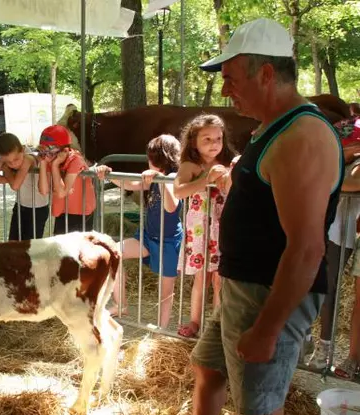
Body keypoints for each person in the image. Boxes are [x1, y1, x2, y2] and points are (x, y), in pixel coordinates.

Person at [191, 18, 344, 415]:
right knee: (209, 365)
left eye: (231, 77)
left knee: (261, 403)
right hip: (244, 285)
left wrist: (269, 328)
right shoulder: (272, 128)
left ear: (264, 74)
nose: (224, 88)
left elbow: (307, 248)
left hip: (268, 291)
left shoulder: (303, 135)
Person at [108, 135, 183, 328]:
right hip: (148, 237)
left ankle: (162, 329)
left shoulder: (175, 177)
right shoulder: (152, 176)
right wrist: (108, 174)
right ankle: (120, 304)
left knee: (167, 290)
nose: (148, 161)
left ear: (160, 158)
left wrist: (160, 180)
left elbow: (171, 206)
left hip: (168, 241)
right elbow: (132, 184)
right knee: (113, 254)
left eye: (151, 157)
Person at [174, 114, 236, 339]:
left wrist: (229, 176)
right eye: (207, 139)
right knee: (202, 277)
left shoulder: (230, 163)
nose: (214, 144)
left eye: (218, 139)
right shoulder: (191, 165)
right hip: (200, 229)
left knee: (220, 277)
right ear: (194, 141)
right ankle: (195, 321)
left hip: (223, 227)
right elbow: (179, 191)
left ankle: (217, 323)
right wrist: (206, 179)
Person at [306, 156, 360, 375]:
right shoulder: (347, 151)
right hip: (318, 224)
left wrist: (326, 178)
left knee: (329, 288)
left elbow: (348, 182)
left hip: (339, 232)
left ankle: (324, 348)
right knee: (306, 283)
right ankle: (305, 337)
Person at [0, 133, 49, 241]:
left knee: (29, 247)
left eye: (16, 159)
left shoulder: (28, 158)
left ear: (22, 150)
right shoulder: (11, 158)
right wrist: (2, 162)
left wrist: (6, 169)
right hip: (20, 206)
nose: (13, 164)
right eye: (8, 162)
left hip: (37, 210)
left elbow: (15, 186)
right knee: (13, 242)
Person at [40, 125, 96, 234]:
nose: (47, 153)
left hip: (80, 213)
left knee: (78, 249)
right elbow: (43, 190)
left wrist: (55, 165)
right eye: (44, 149)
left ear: (64, 149)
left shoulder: (75, 160)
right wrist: (43, 163)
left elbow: (61, 193)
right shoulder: (49, 159)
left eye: (50, 148)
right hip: (62, 211)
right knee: (60, 248)